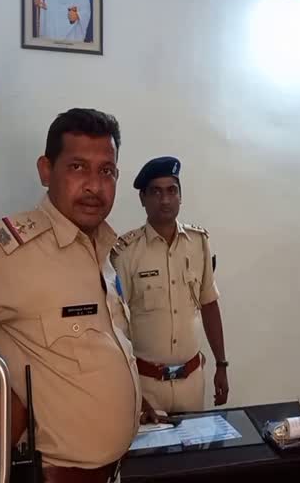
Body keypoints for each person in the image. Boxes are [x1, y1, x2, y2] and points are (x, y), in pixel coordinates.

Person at [0, 108, 158, 483]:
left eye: (106, 171)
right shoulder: (8, 254)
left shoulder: (103, 248)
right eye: (78, 167)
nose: (95, 186)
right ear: (46, 170)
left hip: (112, 471)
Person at [112, 157, 229, 414]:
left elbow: (209, 304)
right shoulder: (125, 253)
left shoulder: (198, 243)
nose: (165, 200)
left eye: (171, 191)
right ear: (142, 198)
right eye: (156, 192)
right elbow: (116, 329)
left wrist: (221, 364)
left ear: (180, 196)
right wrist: (129, 390)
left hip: (191, 382)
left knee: (195, 441)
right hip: (146, 386)